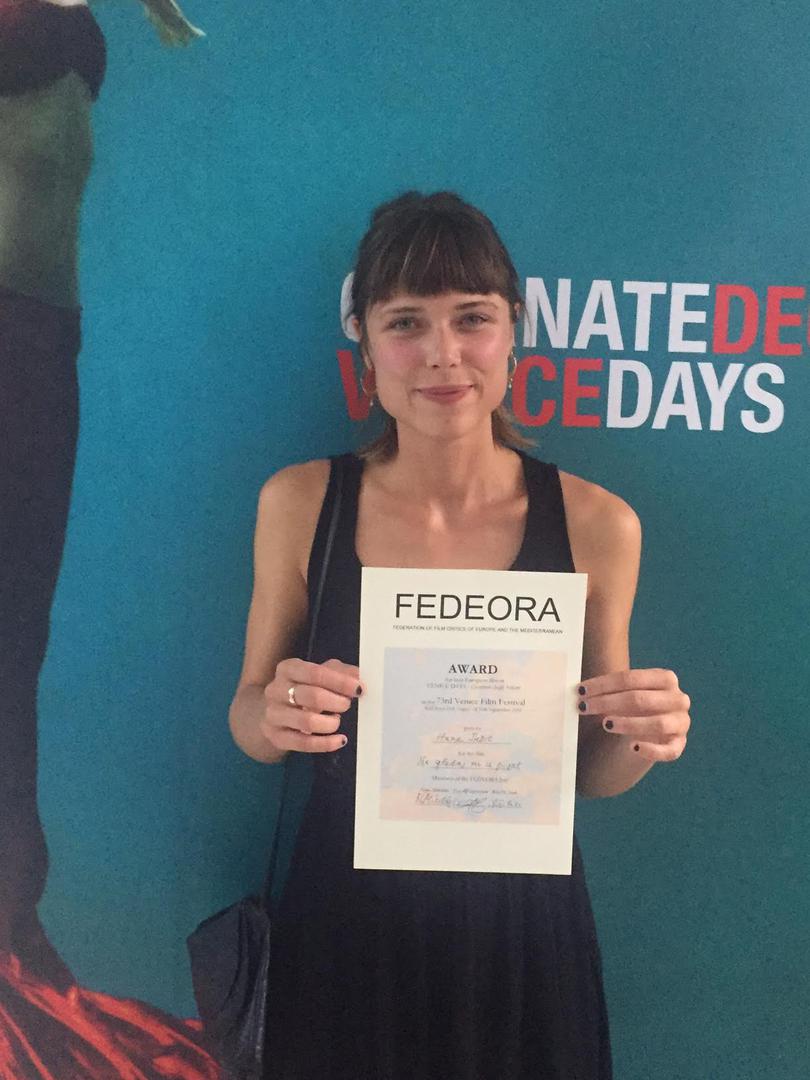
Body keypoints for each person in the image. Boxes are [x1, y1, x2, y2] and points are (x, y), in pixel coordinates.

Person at [229, 191, 692, 1080]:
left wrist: (643, 737)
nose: (442, 353)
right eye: (406, 322)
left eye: (471, 318)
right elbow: (249, 720)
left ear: (513, 331)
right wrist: (276, 713)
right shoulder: (303, 503)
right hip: (347, 919)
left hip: (521, 931)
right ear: (365, 345)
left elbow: (591, 772)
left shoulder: (599, 523)